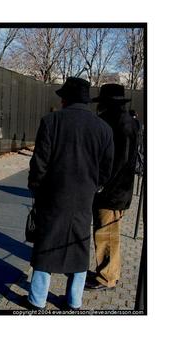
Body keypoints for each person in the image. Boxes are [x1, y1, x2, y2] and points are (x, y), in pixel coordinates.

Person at [24, 77, 114, 310]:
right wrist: (94, 186)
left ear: (66, 99)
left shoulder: (51, 121)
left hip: (52, 195)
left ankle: (37, 299)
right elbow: (107, 168)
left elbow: (40, 162)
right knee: (80, 244)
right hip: (84, 197)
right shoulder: (103, 128)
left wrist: (35, 186)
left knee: (46, 243)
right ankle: (74, 300)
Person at [85, 84, 140, 290]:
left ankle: (107, 277)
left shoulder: (119, 123)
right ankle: (107, 272)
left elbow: (119, 161)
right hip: (116, 190)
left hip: (112, 192)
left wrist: (101, 184)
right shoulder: (126, 121)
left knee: (107, 234)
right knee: (106, 232)